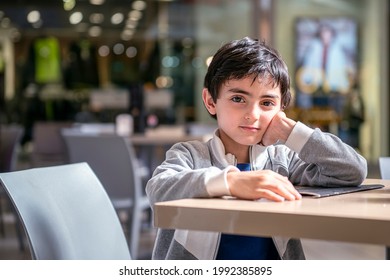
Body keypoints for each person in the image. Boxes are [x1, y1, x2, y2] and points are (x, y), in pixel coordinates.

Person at [146, 37, 367, 260]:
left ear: (281, 107)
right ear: (211, 101)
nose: (253, 114)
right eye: (238, 98)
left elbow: (352, 170)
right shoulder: (190, 155)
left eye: (267, 103)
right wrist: (231, 182)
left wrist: (291, 131)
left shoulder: (283, 161)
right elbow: (158, 190)